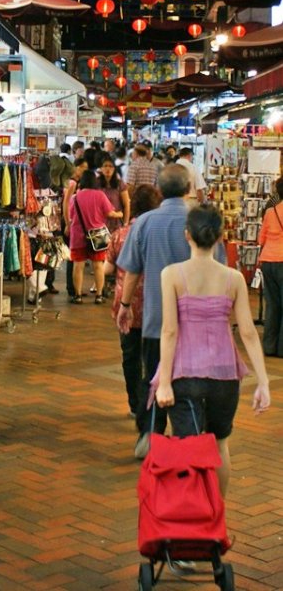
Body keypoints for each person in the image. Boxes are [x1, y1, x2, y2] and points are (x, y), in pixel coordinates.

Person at [155, 204, 270, 496]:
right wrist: (263, 382)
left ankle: (192, 518)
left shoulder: (172, 274)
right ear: (220, 236)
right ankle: (215, 514)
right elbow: (248, 333)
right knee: (220, 443)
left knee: (188, 449)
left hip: (185, 374)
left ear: (187, 236)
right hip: (224, 375)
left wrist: (165, 382)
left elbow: (169, 331)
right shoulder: (233, 278)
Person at [116, 163, 226, 458]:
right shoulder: (203, 220)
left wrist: (125, 306)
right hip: (200, 325)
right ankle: (190, 440)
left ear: (160, 190)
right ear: (190, 187)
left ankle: (150, 434)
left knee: (153, 378)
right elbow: (222, 270)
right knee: (194, 382)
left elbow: (132, 271)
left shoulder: (145, 223)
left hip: (156, 320)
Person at [105, 185, 161, 416]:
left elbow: (108, 269)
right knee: (154, 357)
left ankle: (135, 404)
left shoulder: (121, 234)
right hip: (155, 303)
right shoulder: (160, 233)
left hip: (126, 305)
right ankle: (151, 404)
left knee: (130, 356)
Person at [69, 169, 122, 304]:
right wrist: (120, 215)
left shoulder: (75, 197)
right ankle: (99, 295)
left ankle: (78, 295)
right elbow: (110, 213)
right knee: (98, 265)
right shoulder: (100, 195)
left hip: (78, 236)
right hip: (97, 236)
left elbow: (71, 216)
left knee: (78, 266)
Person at [258, 176, 283, 357]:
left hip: (267, 260)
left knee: (272, 305)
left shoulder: (270, 211)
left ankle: (269, 347)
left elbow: (262, 238)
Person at [63, 156, 89, 298]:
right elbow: (66, 204)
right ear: (76, 167)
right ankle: (72, 288)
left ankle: (74, 287)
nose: (84, 170)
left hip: (71, 222)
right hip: (71, 222)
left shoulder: (73, 182)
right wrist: (68, 223)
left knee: (73, 256)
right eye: (82, 167)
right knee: (72, 256)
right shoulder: (72, 183)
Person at [98, 155, 130, 232]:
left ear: (114, 169)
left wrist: (125, 223)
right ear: (101, 169)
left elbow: (126, 205)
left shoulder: (120, 184)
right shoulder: (96, 183)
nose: (108, 168)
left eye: (110, 166)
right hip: (100, 223)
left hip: (116, 223)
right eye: (105, 166)